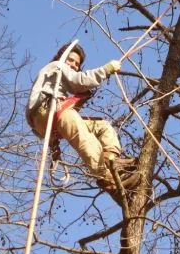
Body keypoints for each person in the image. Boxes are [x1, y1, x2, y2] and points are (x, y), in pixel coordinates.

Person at [25, 43, 139, 191]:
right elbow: (79, 81)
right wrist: (107, 69)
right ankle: (105, 177)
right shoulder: (57, 66)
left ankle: (111, 162)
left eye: (77, 63)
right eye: (70, 60)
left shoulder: (57, 81)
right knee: (84, 137)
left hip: (51, 117)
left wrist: (53, 145)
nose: (73, 65)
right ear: (61, 58)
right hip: (47, 110)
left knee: (103, 127)